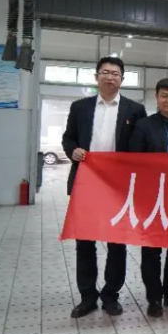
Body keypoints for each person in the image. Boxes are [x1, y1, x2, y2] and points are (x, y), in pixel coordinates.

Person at [62, 56, 147, 318]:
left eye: (115, 74)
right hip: (86, 182)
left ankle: (111, 295)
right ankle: (87, 296)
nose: (110, 77)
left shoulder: (135, 110)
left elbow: (140, 148)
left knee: (117, 243)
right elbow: (68, 138)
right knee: (85, 243)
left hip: (118, 186)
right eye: (105, 72)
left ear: (122, 79)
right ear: (97, 76)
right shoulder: (80, 107)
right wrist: (72, 151)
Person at [128, 78, 168, 318]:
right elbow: (134, 162)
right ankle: (154, 298)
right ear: (157, 98)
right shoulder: (143, 126)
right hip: (152, 198)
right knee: (151, 251)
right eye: (165, 96)